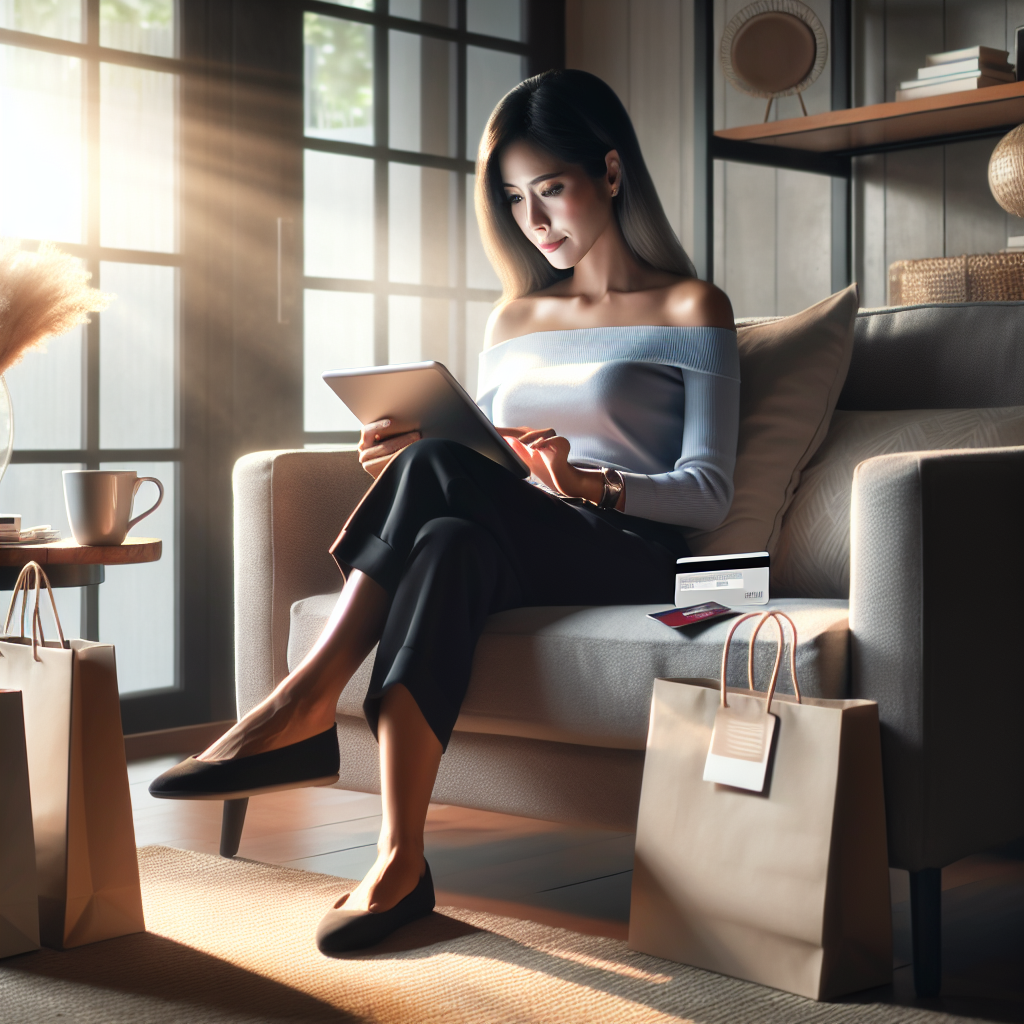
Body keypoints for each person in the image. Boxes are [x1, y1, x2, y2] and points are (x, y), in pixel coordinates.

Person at [150, 69, 738, 953]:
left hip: (631, 546)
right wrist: (412, 455)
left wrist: (592, 486)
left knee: (445, 488)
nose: (537, 222)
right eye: (514, 201)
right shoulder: (515, 319)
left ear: (610, 173)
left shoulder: (692, 307)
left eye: (553, 190)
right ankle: (399, 862)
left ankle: (303, 703)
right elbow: (486, 457)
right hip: (519, 531)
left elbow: (710, 491)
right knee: (451, 534)